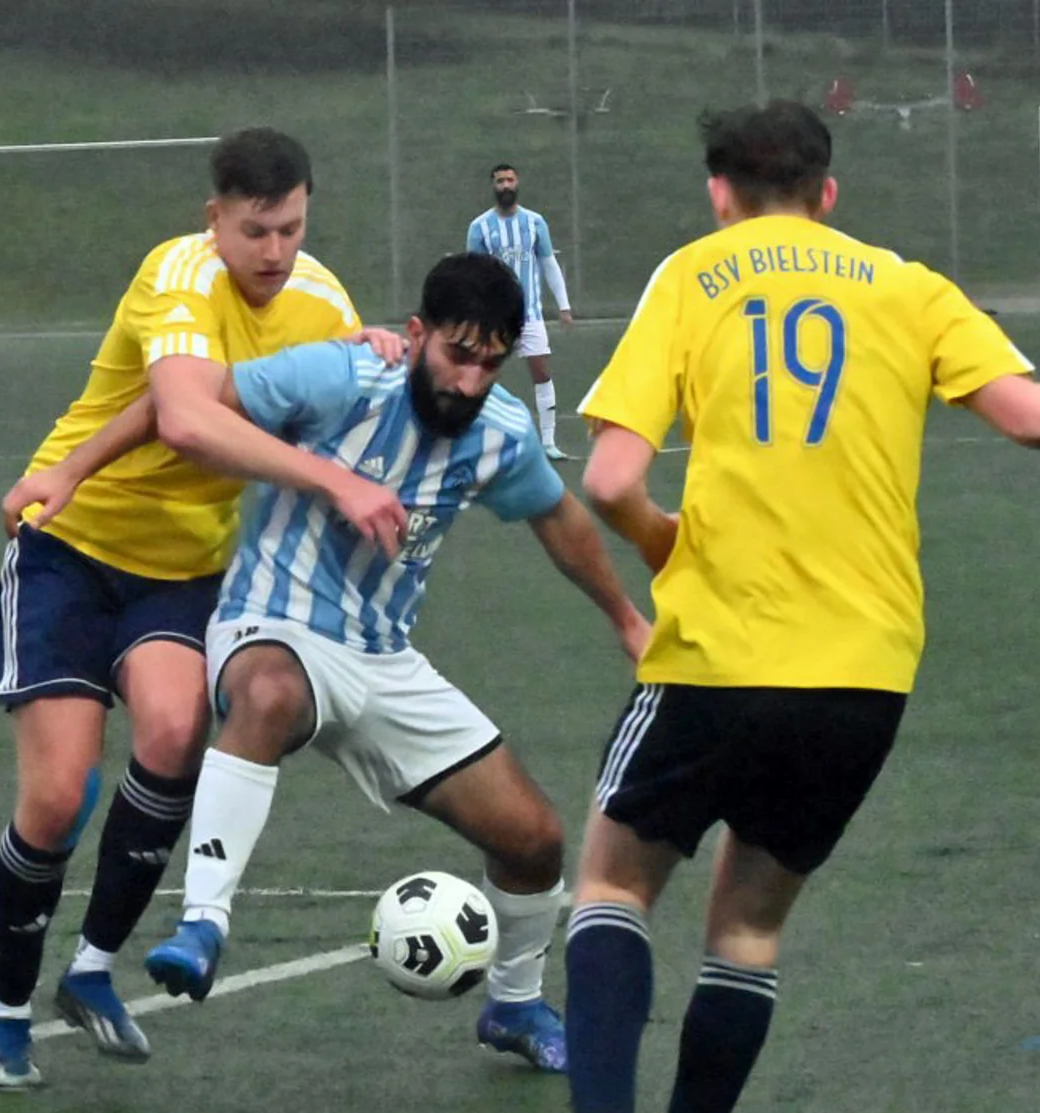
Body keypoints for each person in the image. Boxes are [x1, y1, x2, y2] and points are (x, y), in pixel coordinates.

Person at [506, 100, 1040, 1113]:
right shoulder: (903, 285)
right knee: (751, 928)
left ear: (719, 191)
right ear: (829, 192)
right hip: (863, 671)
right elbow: (1026, 413)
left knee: (616, 882)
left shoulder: (694, 274)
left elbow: (613, 472)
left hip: (721, 653)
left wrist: (669, 539)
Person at [121, 253, 648, 1070]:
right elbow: (195, 405)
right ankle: (202, 924)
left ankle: (513, 1006)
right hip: (272, 621)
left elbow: (562, 519)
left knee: (534, 839)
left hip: (382, 658)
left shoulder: (500, 434)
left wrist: (626, 620)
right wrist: (330, 479)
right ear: (417, 334)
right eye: (457, 353)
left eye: (489, 362)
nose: (471, 380)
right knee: (266, 695)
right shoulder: (342, 377)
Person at [0, 127, 409, 1091]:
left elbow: (329, 405)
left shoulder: (322, 301)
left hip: (185, 573)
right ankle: (5, 1011)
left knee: (175, 733)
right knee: (55, 796)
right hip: (70, 548)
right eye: (254, 229)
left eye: (291, 228)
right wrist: (331, 482)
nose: (273, 251)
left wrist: (377, 360)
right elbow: (182, 413)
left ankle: (89, 973)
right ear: (212, 217)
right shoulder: (177, 275)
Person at [467, 164, 575, 460]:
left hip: (531, 316)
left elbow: (548, 265)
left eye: (509, 179)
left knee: (541, 372)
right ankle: (480, 443)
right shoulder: (480, 227)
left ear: (517, 183)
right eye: (499, 181)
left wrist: (563, 306)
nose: (505, 185)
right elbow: (473, 273)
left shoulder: (535, 223)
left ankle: (549, 442)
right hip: (495, 318)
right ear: (493, 186)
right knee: (484, 375)